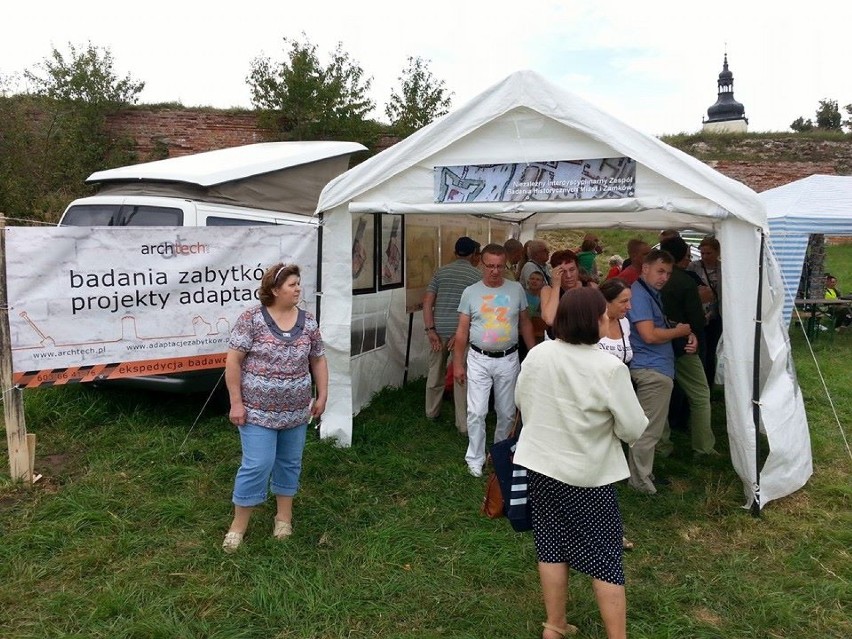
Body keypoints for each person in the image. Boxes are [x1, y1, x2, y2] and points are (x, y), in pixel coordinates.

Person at [514, 288, 648, 639]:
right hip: (588, 475)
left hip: (540, 467)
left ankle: (554, 625)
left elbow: (522, 400)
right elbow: (633, 426)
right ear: (592, 321)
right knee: (605, 559)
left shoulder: (539, 354)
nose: (609, 319)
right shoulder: (609, 368)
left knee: (551, 545)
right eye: (604, 314)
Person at [222, 262, 328, 553]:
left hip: (296, 410)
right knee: (257, 464)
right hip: (256, 410)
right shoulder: (251, 319)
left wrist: (322, 395)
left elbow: (318, 359)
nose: (298, 289)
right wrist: (236, 403)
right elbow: (233, 361)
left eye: (298, 283)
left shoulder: (307, 321)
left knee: (289, 462)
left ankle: (284, 517)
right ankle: (239, 525)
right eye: (292, 284)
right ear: (274, 289)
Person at [454, 243, 536, 477]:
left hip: (508, 358)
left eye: (499, 266)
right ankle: (475, 457)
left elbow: (525, 323)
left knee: (507, 411)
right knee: (477, 411)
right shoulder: (471, 292)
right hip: (479, 357)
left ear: (505, 265)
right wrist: (458, 363)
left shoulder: (516, 290)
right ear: (481, 264)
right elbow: (462, 331)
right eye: (490, 266)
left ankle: (498, 455)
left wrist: (533, 354)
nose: (495, 271)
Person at [626, 249, 695, 495]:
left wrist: (683, 330)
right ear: (645, 268)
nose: (664, 277)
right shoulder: (641, 295)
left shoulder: (648, 292)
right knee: (648, 430)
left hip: (656, 367)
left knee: (650, 428)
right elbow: (649, 334)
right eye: (660, 271)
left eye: (668, 272)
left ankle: (644, 474)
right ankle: (640, 481)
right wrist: (680, 331)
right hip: (651, 369)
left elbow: (658, 325)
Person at [659, 236, 717, 458]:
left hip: (657, 343)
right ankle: (703, 447)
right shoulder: (684, 281)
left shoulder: (651, 279)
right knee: (701, 394)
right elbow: (697, 319)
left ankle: (661, 444)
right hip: (683, 344)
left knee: (659, 396)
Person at [421, 236, 482, 432]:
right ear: (473, 253)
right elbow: (477, 309)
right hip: (461, 334)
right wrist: (461, 333)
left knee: (435, 374)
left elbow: (427, 302)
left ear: (455, 252)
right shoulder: (476, 276)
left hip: (438, 331)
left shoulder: (441, 272)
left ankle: (431, 412)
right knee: (461, 376)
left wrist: (430, 330)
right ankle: (462, 423)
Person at [687, 236, 723, 384]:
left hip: (716, 314)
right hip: (699, 314)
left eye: (709, 253)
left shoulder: (723, 268)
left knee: (710, 351)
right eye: (703, 253)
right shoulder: (694, 267)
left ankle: (708, 382)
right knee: (700, 350)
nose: (705, 257)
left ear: (717, 252)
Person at [540, 250, 589, 332]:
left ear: (578, 269)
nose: (568, 276)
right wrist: (556, 286)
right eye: (563, 272)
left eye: (572, 270)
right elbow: (550, 319)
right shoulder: (548, 290)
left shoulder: (589, 288)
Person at [598, 278, 633, 366]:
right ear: (606, 302)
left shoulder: (624, 323)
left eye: (629, 300)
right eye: (624, 301)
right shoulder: (590, 324)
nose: (629, 306)